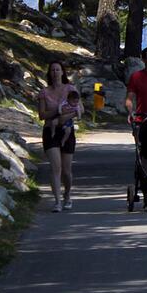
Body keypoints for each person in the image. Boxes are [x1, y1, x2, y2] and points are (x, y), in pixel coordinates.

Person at [38, 60, 83, 212]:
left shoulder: (70, 89)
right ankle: (57, 202)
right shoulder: (44, 92)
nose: (55, 73)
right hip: (50, 130)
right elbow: (41, 115)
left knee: (66, 170)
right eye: (53, 70)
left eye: (58, 70)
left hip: (67, 130)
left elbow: (80, 109)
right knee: (55, 168)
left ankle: (67, 195)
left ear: (63, 72)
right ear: (49, 73)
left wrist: (66, 116)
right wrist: (58, 113)